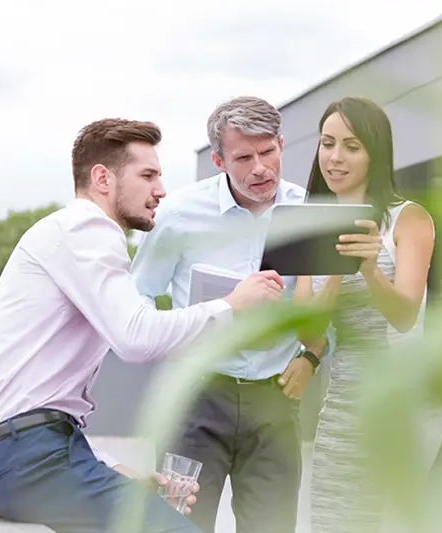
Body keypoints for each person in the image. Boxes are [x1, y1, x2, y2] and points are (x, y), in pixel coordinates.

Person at [0, 117, 286, 533]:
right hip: (20, 459)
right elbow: (136, 338)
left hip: (16, 458)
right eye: (147, 175)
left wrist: (110, 473)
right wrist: (232, 305)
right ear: (102, 179)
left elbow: (45, 403)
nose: (160, 190)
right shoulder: (88, 228)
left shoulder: (68, 236)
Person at [130, 96, 329, 533]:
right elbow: (137, 298)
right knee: (178, 524)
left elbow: (326, 301)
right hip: (194, 401)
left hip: (276, 401)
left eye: (268, 151)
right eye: (244, 157)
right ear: (219, 160)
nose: (260, 167)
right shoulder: (180, 215)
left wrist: (312, 356)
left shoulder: (310, 213)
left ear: (281, 144)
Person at [293, 97, 441, 533]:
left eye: (351, 146)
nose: (335, 157)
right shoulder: (311, 225)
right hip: (341, 406)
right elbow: (308, 332)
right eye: (327, 143)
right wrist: (337, 270)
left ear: (375, 152)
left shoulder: (407, 219)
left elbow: (404, 317)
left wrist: (370, 268)